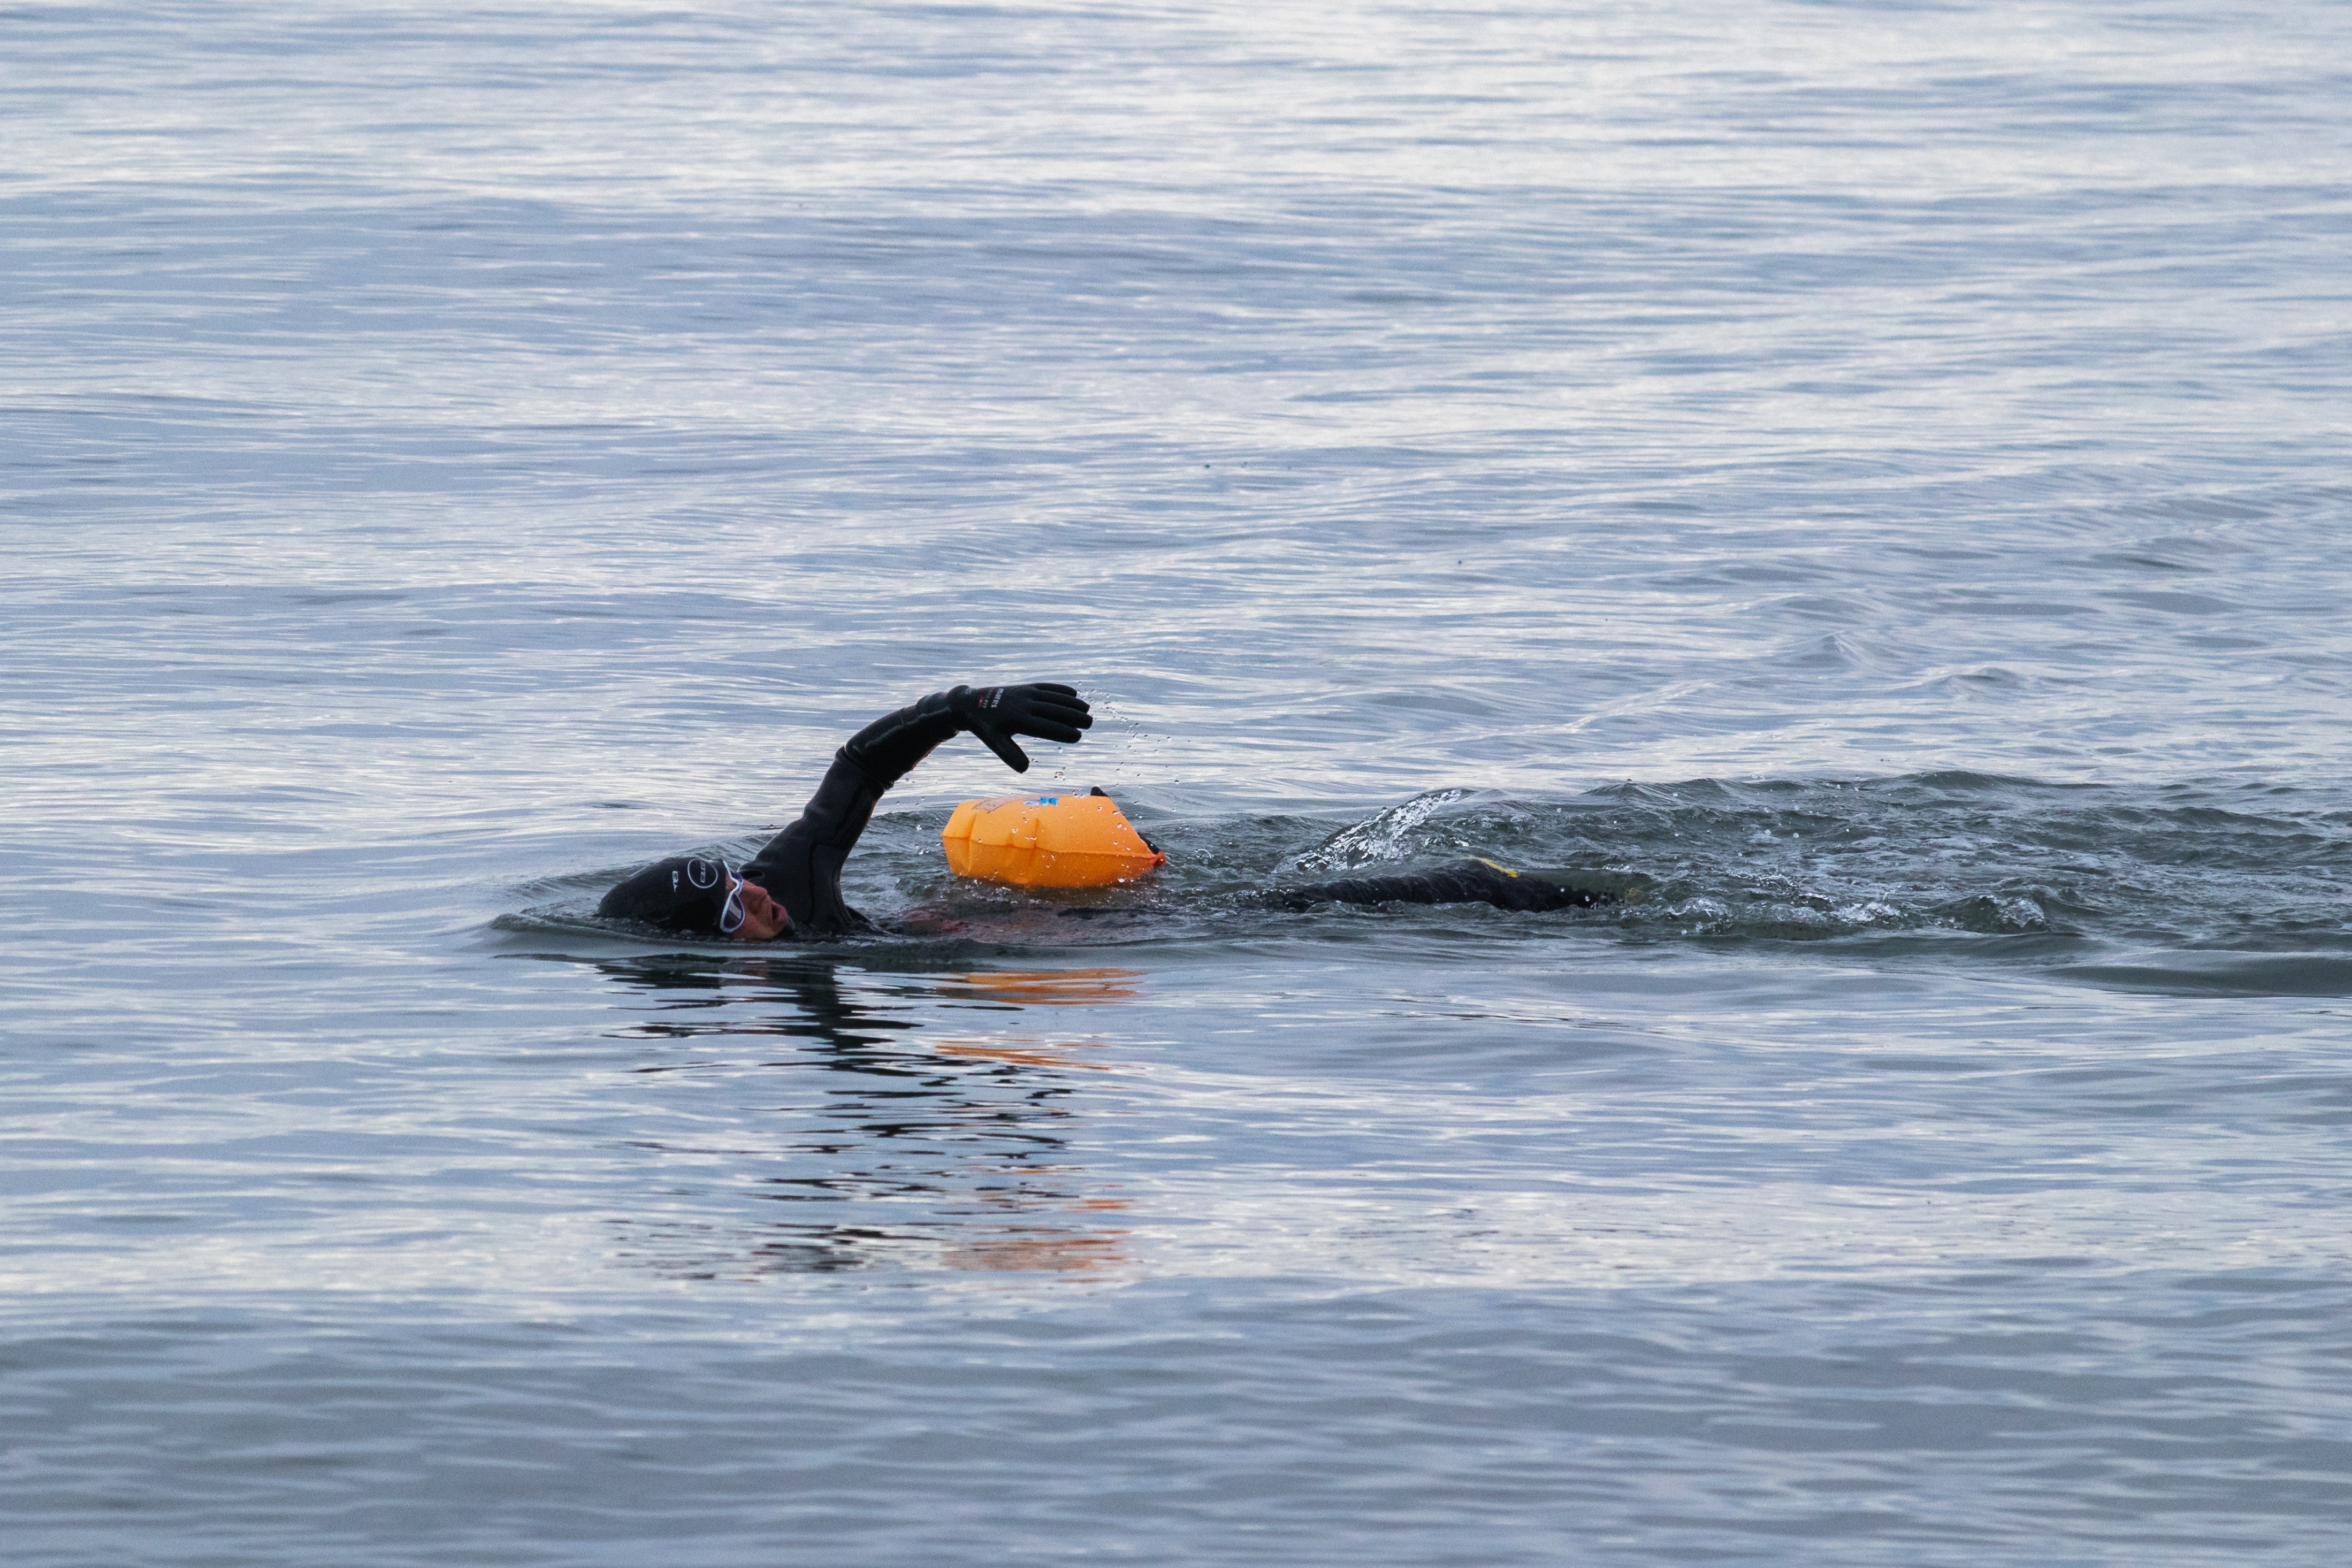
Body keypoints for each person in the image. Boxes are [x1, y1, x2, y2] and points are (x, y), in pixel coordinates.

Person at [596, 682, 1646, 940]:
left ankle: (1549, 895)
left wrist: (963, 708)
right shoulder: (788, 1006)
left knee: (1317, 905)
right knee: (1310, 909)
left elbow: (853, 772)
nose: (761, 906)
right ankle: (1517, 894)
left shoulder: (790, 883)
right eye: (736, 916)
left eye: (742, 885)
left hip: (1092, 918)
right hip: (1078, 935)